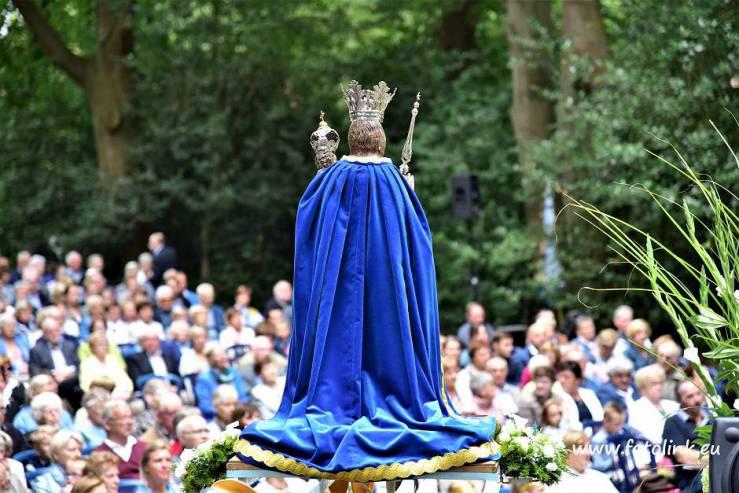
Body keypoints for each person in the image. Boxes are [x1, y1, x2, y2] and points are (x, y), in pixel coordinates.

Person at [238, 81, 498, 479]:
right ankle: (400, 398)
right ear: (380, 138)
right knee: (387, 332)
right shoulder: (395, 183)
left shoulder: (332, 180)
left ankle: (330, 400)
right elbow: (416, 247)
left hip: (337, 292)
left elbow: (310, 224)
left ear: (354, 136)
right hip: (388, 294)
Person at [662, 380, 710, 490]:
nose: (697, 400)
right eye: (690, 396)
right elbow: (684, 456)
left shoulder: (712, 418)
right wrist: (717, 460)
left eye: (698, 394)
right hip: (691, 482)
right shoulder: (673, 422)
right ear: (680, 400)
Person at [28, 316, 80, 408]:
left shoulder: (70, 346)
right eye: (50, 332)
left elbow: (78, 367)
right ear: (44, 334)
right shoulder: (36, 350)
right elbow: (34, 372)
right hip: (52, 382)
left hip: (71, 382)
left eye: (56, 330)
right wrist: (54, 376)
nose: (54, 334)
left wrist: (68, 375)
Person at [547, 431, 618, 493]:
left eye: (588, 447)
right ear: (567, 452)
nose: (589, 453)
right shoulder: (556, 483)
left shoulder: (600, 477)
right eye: (582, 448)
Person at [627, 364, 680, 446]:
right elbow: (646, 436)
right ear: (643, 387)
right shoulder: (636, 408)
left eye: (661, 383)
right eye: (654, 384)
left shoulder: (673, 405)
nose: (659, 387)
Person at [95, 400, 147, 480]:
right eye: (123, 418)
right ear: (107, 424)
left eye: (130, 417)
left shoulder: (146, 448)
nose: (129, 422)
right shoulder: (99, 455)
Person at [195, 345, 247, 419]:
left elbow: (243, 397)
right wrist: (224, 412)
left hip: (237, 415)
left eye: (224, 354)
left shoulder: (234, 373)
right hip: (216, 418)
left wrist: (237, 411)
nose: (223, 357)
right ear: (210, 359)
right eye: (218, 355)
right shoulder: (204, 379)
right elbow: (205, 406)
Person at [79, 333, 133, 397]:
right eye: (100, 344)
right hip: (98, 396)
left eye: (105, 344)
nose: (104, 347)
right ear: (92, 347)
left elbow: (126, 381)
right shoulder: (86, 363)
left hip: (118, 393)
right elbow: (86, 386)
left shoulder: (113, 360)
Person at [555, 361, 603, 431]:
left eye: (566, 377)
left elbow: (600, 417)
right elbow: (567, 426)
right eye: (560, 377)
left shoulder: (589, 394)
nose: (562, 380)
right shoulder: (557, 398)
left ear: (578, 380)